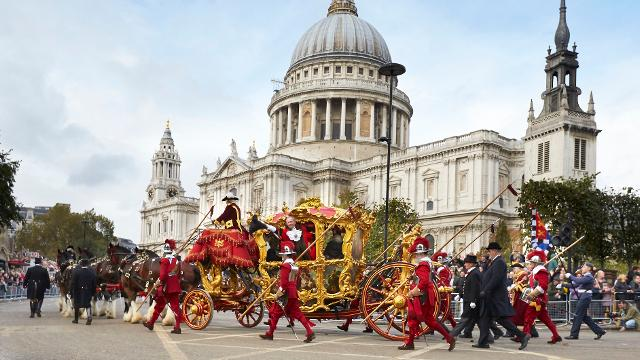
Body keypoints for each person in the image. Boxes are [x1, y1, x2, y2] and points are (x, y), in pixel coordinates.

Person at [398, 236, 455, 351]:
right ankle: (449, 337)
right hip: (425, 295)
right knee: (428, 320)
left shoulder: (423, 264)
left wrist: (413, 292)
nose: (414, 256)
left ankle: (410, 342)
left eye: (415, 254)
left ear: (419, 254)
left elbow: (423, 282)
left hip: (420, 296)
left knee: (413, 319)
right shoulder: (427, 263)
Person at [475, 242, 529, 350]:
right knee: (485, 318)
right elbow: (487, 275)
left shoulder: (499, 262)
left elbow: (495, 279)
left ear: (494, 251)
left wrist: (485, 290)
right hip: (490, 296)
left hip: (495, 296)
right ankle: (482, 342)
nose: (488, 253)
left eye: (490, 251)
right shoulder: (493, 262)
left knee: (501, 319)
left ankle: (522, 336)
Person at [260, 241, 315, 342]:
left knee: (275, 313)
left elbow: (284, 284)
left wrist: (277, 294)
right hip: (293, 292)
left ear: (285, 254)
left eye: (282, 255)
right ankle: (309, 332)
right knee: (298, 313)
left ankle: (270, 333)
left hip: (285, 294)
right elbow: (295, 280)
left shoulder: (285, 266)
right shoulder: (293, 264)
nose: (282, 257)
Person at [521, 250, 562, 344]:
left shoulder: (541, 271)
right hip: (537, 299)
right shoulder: (535, 272)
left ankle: (523, 336)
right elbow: (534, 285)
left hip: (537, 300)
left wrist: (532, 294)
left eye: (531, 263)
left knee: (528, 318)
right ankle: (556, 336)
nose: (529, 265)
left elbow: (543, 286)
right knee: (546, 320)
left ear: (535, 263)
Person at [144, 239, 183, 334]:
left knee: (159, 306)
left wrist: (158, 281)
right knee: (175, 307)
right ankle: (177, 327)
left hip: (166, 286)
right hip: (174, 285)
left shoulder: (164, 260)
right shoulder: (176, 260)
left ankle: (151, 323)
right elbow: (178, 275)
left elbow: (163, 275)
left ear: (164, 251)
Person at [565, 262, 606, 340]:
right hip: (584, 297)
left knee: (577, 315)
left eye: (584, 267)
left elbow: (578, 281)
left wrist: (570, 276)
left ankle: (574, 334)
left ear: (589, 269)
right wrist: (563, 285)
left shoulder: (589, 277)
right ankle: (599, 331)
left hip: (585, 297)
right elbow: (575, 285)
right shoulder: (585, 277)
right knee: (584, 317)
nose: (582, 268)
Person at [449, 255, 481, 338]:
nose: (465, 265)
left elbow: (474, 288)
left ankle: (451, 335)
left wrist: (473, 300)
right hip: (468, 299)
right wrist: (460, 295)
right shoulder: (472, 272)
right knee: (476, 320)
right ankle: (469, 333)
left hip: (471, 301)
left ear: (471, 264)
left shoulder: (474, 273)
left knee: (464, 318)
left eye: (466, 263)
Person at [432, 251, 457, 329]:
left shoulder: (442, 269)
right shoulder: (445, 269)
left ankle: (450, 330)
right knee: (445, 313)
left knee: (437, 312)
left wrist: (434, 288)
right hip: (443, 291)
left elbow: (442, 282)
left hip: (441, 292)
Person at [70, 258, 97, 325]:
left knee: (77, 305)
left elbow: (73, 283)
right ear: (87, 264)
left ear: (81, 264)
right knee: (88, 305)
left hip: (78, 291)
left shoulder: (76, 272)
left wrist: (71, 291)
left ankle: (76, 319)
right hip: (88, 290)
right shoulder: (92, 272)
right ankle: (89, 318)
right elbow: (94, 283)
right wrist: (93, 292)